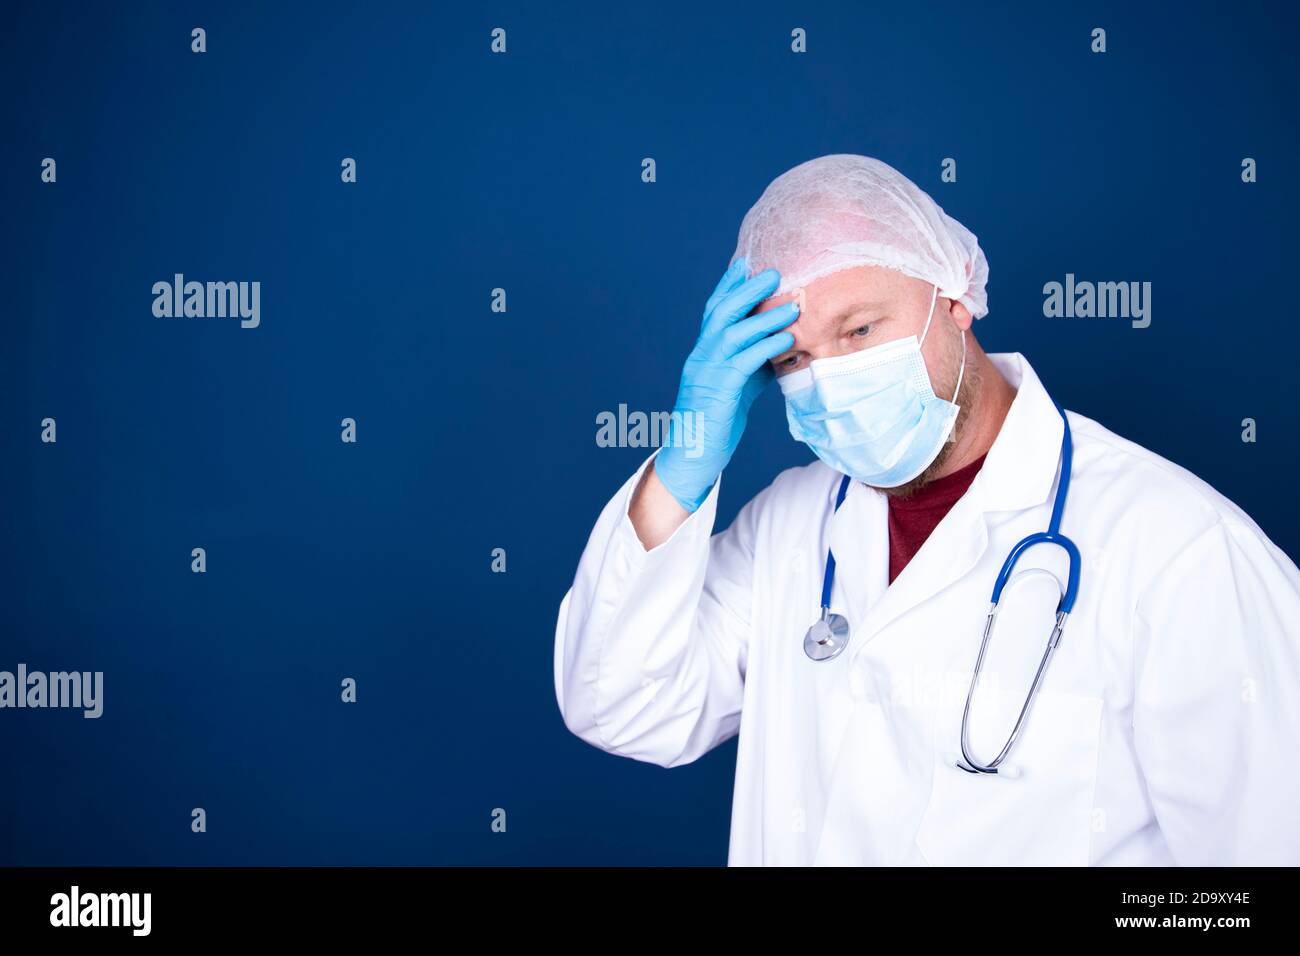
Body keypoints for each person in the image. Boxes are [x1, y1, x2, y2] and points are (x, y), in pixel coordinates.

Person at [553, 154, 1300, 866]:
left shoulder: (1182, 552)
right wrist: (687, 464)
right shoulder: (789, 527)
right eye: (790, 358)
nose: (829, 377)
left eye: (858, 331)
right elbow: (618, 704)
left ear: (955, 295)